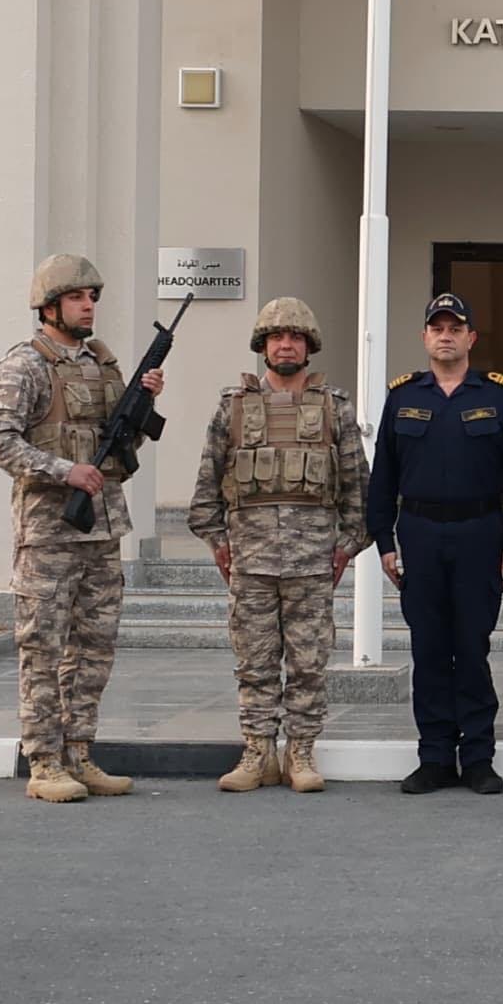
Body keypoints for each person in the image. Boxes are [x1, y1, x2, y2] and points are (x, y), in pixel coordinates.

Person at [0, 255, 159, 806]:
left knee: (94, 649)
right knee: (43, 648)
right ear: (49, 306)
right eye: (77, 298)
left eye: (92, 298)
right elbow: (0, 442)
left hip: (102, 529)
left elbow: (121, 442)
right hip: (49, 533)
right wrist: (64, 471)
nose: (88, 307)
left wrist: (144, 402)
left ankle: (80, 752)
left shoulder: (102, 367)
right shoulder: (24, 366)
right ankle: (44, 760)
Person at [189, 294, 366, 793]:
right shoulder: (232, 407)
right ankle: (258, 751)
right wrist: (218, 543)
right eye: (276, 337)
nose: (285, 345)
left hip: (313, 562)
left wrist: (346, 546)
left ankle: (301, 751)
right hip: (251, 561)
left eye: (295, 337)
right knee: (254, 663)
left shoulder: (335, 408)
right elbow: (206, 487)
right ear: (262, 345)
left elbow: (357, 486)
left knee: (309, 663)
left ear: (309, 346)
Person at [366, 289, 503, 795]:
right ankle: (435, 757)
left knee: (472, 648)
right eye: (437, 328)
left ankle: (479, 757)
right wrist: (384, 540)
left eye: (455, 328)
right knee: (429, 650)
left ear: (471, 338)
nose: (446, 336)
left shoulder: (498, 397)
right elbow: (383, 477)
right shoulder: (403, 398)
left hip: (479, 534)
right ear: (424, 337)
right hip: (419, 533)